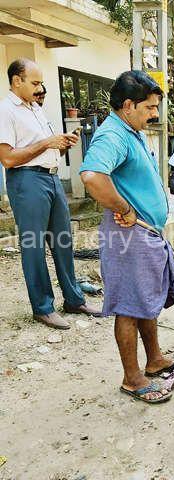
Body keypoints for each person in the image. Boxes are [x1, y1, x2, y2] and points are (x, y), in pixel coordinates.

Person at [80, 70, 174, 404]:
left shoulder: (129, 129)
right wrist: (124, 207)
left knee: (145, 301)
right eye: (150, 107)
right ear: (127, 105)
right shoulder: (113, 135)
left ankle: (153, 360)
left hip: (145, 234)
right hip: (129, 235)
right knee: (129, 307)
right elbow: (92, 177)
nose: (155, 114)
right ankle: (132, 379)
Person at [0, 58, 101, 329]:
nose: (39, 88)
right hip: (27, 181)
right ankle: (42, 307)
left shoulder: (34, 109)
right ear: (16, 80)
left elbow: (45, 149)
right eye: (34, 83)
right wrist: (47, 142)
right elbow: (7, 158)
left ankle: (73, 299)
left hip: (52, 179)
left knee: (63, 241)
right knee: (33, 245)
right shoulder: (6, 110)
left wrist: (63, 144)